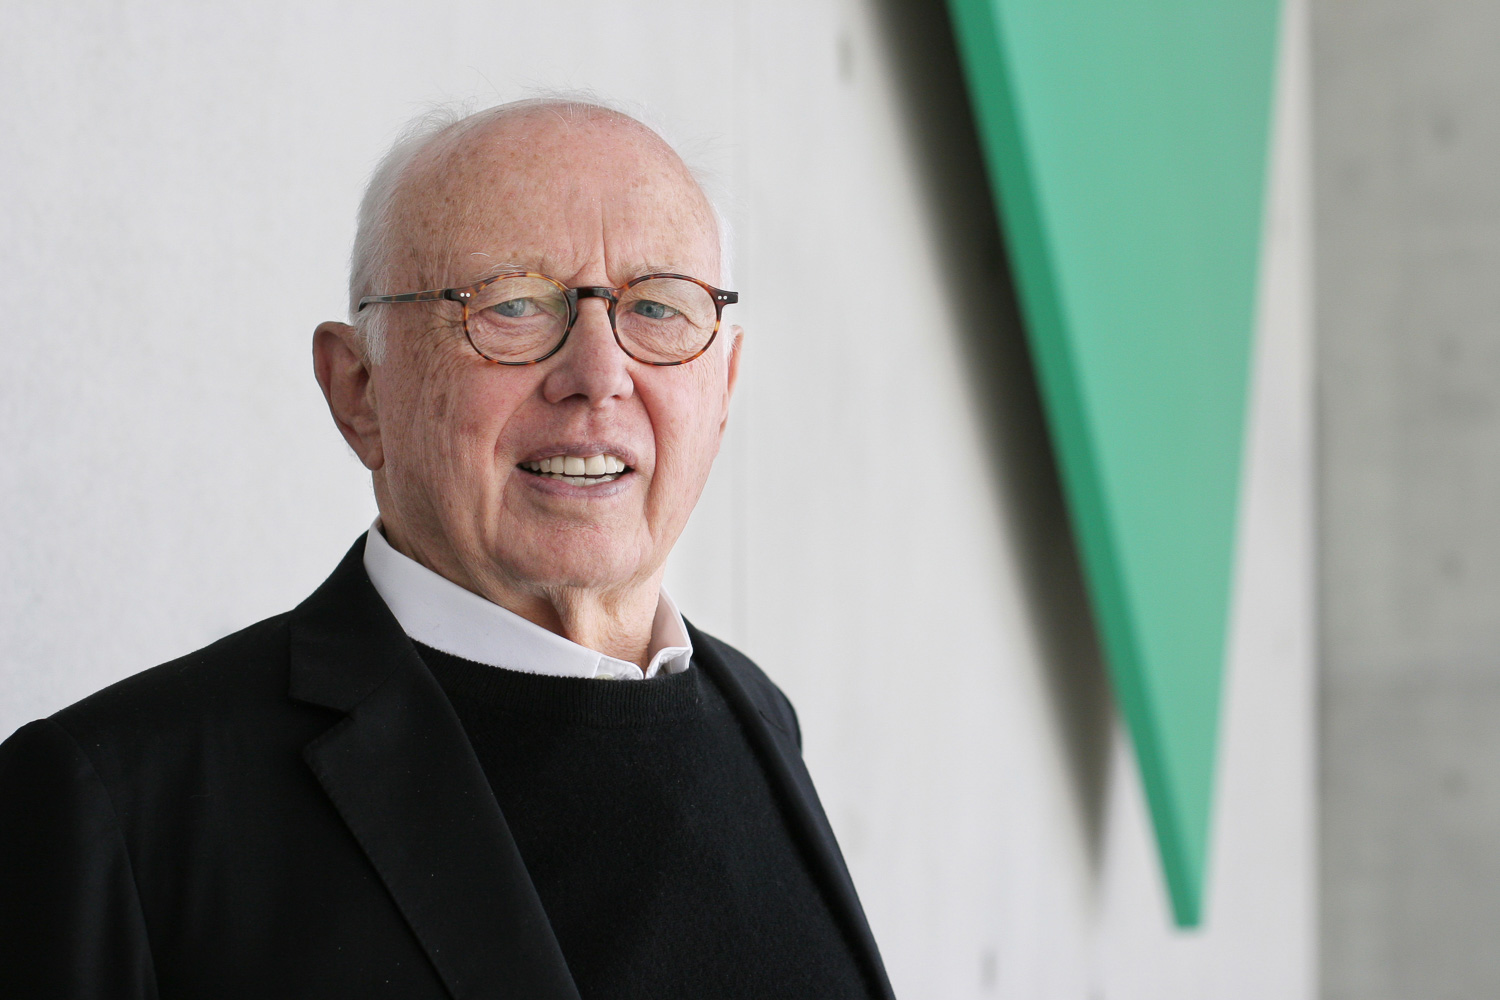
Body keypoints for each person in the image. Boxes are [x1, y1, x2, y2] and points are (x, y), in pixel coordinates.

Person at [0, 99, 894, 999]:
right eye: (511, 304)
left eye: (659, 307)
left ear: (725, 382)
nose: (598, 375)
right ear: (358, 390)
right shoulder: (117, 808)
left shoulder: (758, 718)